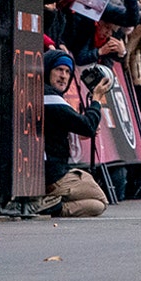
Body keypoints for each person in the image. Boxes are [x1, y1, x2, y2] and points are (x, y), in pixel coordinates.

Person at [42, 50, 108, 217]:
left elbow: (60, 126)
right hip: (53, 174)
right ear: (47, 70)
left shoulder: (49, 97)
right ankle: (43, 201)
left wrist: (77, 131)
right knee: (100, 198)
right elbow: (87, 126)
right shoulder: (49, 96)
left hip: (53, 169)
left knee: (97, 206)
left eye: (67, 72)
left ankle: (51, 207)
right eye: (58, 70)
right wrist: (97, 100)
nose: (63, 76)